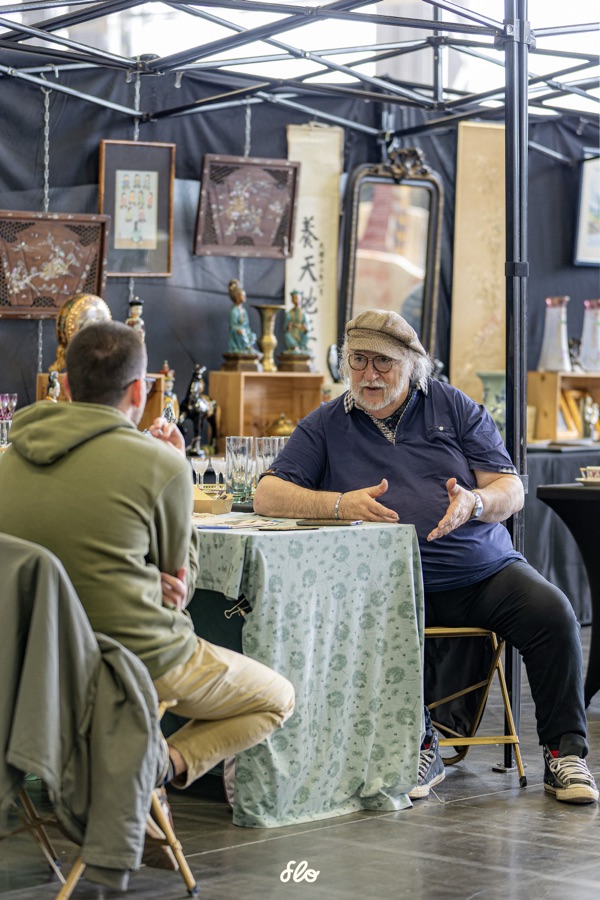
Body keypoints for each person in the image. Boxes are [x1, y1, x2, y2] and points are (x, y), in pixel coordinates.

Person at [254, 308, 598, 806]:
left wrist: (476, 502)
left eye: (383, 363)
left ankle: (563, 754)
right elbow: (268, 493)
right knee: (376, 622)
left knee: (553, 613)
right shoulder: (328, 423)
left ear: (412, 366)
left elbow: (511, 489)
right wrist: (336, 504)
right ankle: (419, 745)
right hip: (388, 582)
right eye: (357, 361)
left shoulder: (455, 408)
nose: (368, 375)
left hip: (483, 572)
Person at [0, 322, 295, 844]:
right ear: (141, 391)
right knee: (278, 697)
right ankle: (154, 766)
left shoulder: (8, 460)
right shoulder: (159, 464)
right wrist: (175, 464)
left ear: (65, 386)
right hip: (131, 661)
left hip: (27, 664)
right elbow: (183, 582)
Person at [227, 278, 258, 354]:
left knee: (252, 335)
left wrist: (247, 330)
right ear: (237, 297)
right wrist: (239, 329)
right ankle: (246, 347)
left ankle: (249, 347)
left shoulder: (243, 310)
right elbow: (233, 325)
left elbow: (246, 324)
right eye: (242, 296)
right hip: (238, 332)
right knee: (242, 333)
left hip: (245, 330)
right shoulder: (234, 311)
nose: (244, 298)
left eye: (245, 296)